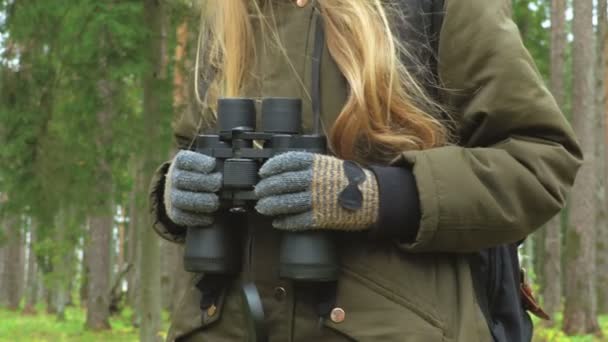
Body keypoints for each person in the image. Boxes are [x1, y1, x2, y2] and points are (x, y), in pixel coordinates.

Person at [149, 0, 582, 341]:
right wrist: (174, 193)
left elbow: (539, 162)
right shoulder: (228, 13)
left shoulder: (433, 5)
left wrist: (376, 197)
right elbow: (195, 148)